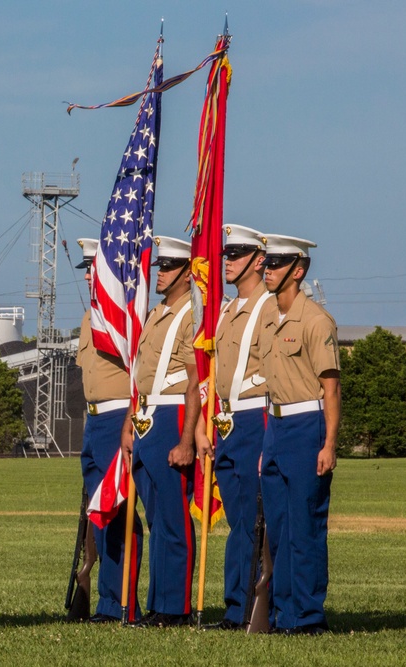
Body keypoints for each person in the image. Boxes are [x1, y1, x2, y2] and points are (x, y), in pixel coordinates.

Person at [258, 234, 340, 635]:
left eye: (275, 264)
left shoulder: (316, 321)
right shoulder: (270, 318)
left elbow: (331, 388)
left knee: (304, 526)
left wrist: (328, 443)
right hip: (276, 427)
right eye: (267, 263)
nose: (266, 270)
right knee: (278, 528)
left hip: (307, 426)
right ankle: (281, 613)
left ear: (299, 270)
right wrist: (266, 441)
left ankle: (308, 617)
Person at [194, 225, 275, 630]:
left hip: (255, 416)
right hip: (225, 419)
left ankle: (253, 606)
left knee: (255, 517)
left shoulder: (269, 308)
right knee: (239, 519)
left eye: (237, 254)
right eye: (226, 254)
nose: (227, 261)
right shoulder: (225, 309)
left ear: (259, 260)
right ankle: (237, 605)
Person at [122, 235, 199, 628]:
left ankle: (177, 606)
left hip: (173, 414)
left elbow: (194, 379)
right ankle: (160, 603)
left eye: (169, 267)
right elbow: (141, 377)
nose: (161, 273)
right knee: (156, 519)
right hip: (147, 415)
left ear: (188, 272)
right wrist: (130, 423)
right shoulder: (155, 313)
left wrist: (187, 439)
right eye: (160, 266)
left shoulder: (191, 313)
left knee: (173, 517)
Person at [74, 238, 143, 624]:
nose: (89, 277)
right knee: (100, 515)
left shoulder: (126, 315)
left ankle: (122, 602)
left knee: (118, 514)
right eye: (86, 270)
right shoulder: (90, 318)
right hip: (94, 420)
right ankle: (106, 600)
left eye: (95, 269)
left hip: (119, 419)